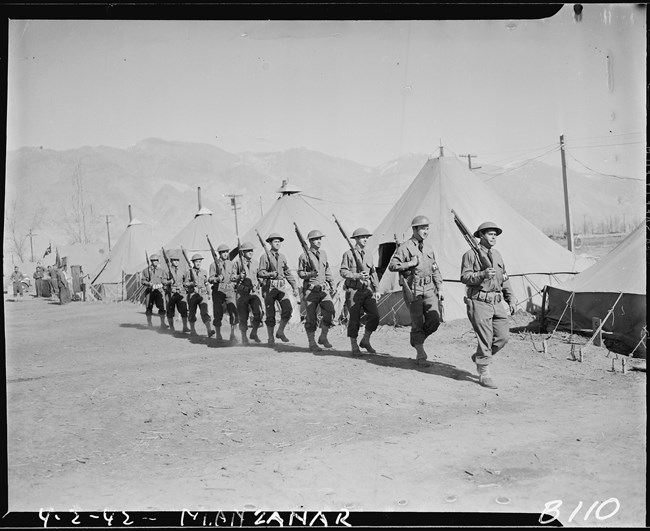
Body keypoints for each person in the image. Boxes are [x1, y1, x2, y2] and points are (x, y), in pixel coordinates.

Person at [460, 221, 516, 389]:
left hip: (496, 301)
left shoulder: (497, 255)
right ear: (481, 236)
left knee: (503, 336)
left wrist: (510, 298)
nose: (494, 237)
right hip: (479, 301)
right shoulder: (470, 255)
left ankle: (480, 356)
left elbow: (504, 278)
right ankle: (484, 372)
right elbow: (464, 277)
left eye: (495, 235)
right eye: (490, 234)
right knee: (485, 337)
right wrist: (482, 274)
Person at [388, 215, 444, 367]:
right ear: (414, 229)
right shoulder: (405, 247)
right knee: (417, 321)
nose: (426, 231)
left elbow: (435, 268)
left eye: (427, 228)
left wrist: (439, 286)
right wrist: (409, 263)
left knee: (434, 319)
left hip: (429, 287)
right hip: (413, 288)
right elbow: (392, 266)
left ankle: (417, 340)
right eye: (423, 228)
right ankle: (420, 353)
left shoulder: (428, 247)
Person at [340, 227, 381, 355]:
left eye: (366, 237)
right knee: (354, 319)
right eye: (362, 237)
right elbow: (343, 271)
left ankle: (366, 340)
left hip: (367, 290)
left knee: (375, 316)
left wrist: (377, 289)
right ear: (356, 239)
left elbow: (373, 272)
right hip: (353, 290)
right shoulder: (348, 254)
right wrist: (358, 275)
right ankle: (354, 346)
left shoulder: (368, 253)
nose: (365, 240)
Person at [257, 233, 300, 344]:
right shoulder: (264, 256)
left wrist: (294, 286)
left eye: (279, 241)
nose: (277, 243)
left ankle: (280, 331)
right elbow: (260, 272)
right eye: (275, 241)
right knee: (270, 313)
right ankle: (270, 338)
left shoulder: (282, 257)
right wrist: (270, 274)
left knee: (288, 309)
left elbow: (287, 272)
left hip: (281, 287)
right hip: (269, 287)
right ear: (270, 243)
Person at [297, 229, 336, 352]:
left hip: (323, 290)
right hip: (311, 291)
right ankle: (312, 342)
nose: (319, 241)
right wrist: (310, 274)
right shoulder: (303, 256)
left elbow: (327, 270)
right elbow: (301, 273)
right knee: (311, 318)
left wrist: (332, 283)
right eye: (316, 239)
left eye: (320, 239)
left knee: (330, 311)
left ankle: (323, 337)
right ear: (310, 241)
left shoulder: (323, 254)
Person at [230, 242, 263, 344]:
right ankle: (244, 337)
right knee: (243, 316)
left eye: (251, 250)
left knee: (259, 313)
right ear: (243, 252)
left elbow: (259, 275)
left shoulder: (256, 263)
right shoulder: (237, 263)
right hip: (242, 293)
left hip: (254, 292)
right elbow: (232, 277)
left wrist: (261, 281)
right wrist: (240, 276)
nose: (250, 252)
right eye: (248, 251)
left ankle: (254, 332)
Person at [208, 243, 239, 342]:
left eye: (227, 252)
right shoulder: (213, 265)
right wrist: (217, 278)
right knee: (218, 313)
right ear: (219, 253)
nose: (225, 254)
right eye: (223, 252)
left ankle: (232, 334)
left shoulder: (231, 264)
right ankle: (218, 334)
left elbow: (234, 275)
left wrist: (237, 278)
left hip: (230, 290)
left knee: (233, 312)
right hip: (218, 291)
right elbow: (210, 279)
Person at [183, 254, 215, 337]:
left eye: (200, 262)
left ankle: (209, 330)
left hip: (202, 294)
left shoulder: (204, 272)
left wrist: (209, 293)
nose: (198, 263)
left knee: (205, 312)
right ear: (193, 262)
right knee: (192, 312)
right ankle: (193, 331)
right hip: (192, 294)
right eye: (196, 262)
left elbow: (206, 283)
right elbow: (185, 283)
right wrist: (191, 284)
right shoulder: (188, 272)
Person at [163, 253, 190, 333]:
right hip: (171, 293)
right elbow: (163, 281)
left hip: (181, 293)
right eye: (174, 260)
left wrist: (184, 286)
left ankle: (185, 327)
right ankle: (172, 327)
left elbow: (186, 281)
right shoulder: (167, 271)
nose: (176, 262)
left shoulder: (183, 271)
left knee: (184, 310)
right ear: (171, 261)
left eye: (177, 260)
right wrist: (168, 281)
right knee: (170, 310)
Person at [141, 254, 167, 329]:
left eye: (156, 260)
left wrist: (164, 284)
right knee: (149, 308)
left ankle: (163, 324)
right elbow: (143, 281)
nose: (155, 262)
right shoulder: (146, 270)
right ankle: (149, 323)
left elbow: (164, 280)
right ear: (151, 261)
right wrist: (148, 283)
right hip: (150, 291)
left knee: (162, 308)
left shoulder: (161, 271)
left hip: (159, 291)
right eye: (154, 260)